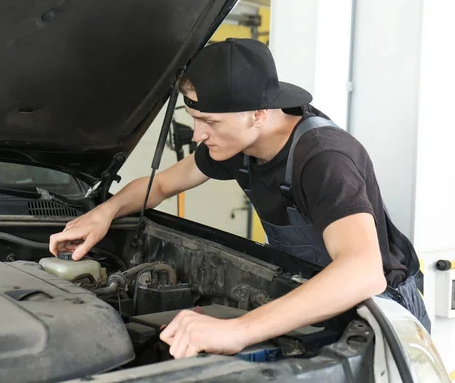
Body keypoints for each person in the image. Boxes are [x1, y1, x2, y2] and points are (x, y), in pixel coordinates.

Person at [49, 38, 431, 359]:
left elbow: (362, 271)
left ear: (259, 114)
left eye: (210, 122)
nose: (198, 135)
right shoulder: (235, 146)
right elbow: (160, 187)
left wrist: (238, 331)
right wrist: (104, 212)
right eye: (194, 118)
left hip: (378, 312)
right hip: (309, 294)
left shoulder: (323, 158)